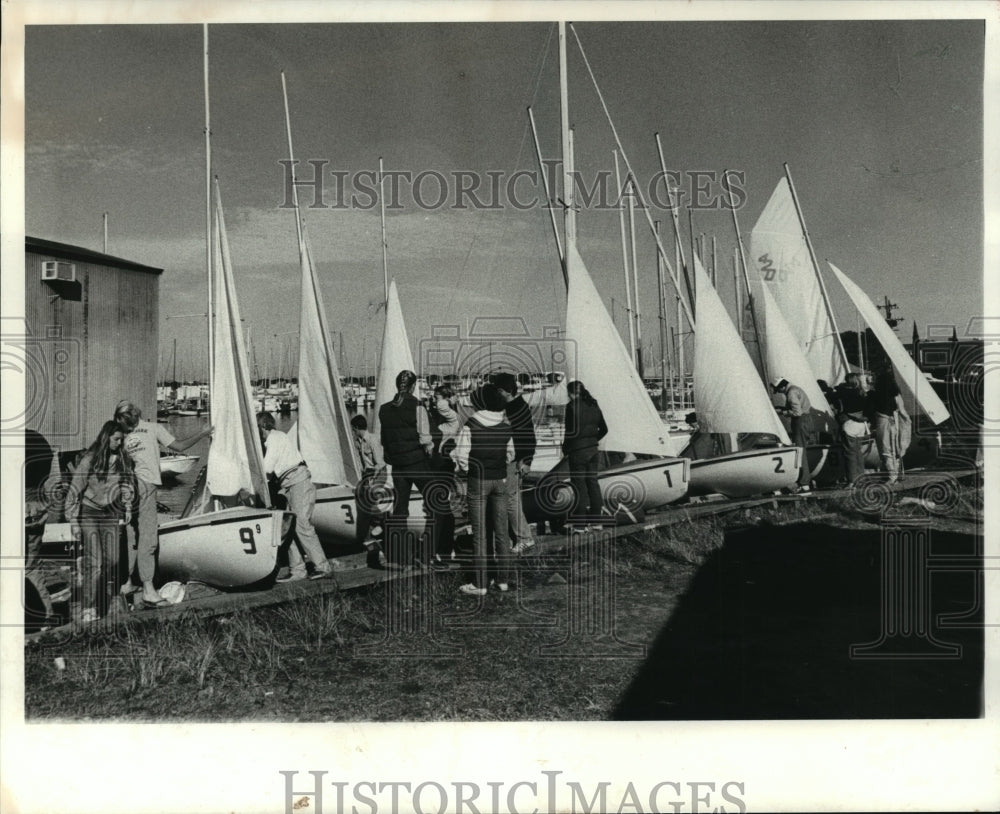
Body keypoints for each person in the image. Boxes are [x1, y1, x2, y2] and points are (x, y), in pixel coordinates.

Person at [114, 399, 213, 606]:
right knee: (148, 539)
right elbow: (179, 446)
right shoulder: (153, 428)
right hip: (145, 486)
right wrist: (203, 433)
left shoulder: (123, 436)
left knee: (132, 536)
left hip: (128, 488)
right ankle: (149, 589)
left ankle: (127, 582)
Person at [64, 421, 135, 621]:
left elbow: (126, 484)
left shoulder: (123, 459)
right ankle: (89, 607)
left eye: (122, 440)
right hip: (89, 513)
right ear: (106, 438)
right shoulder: (90, 460)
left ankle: (99, 591)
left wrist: (127, 507)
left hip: (111, 513)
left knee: (112, 560)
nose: (120, 443)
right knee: (96, 563)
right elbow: (74, 490)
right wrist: (72, 520)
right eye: (116, 439)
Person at [257, 411, 340, 581]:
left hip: (298, 480)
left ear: (263, 426)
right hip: (288, 483)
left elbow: (267, 469)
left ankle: (323, 567)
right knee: (287, 528)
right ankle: (298, 570)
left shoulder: (273, 439)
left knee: (301, 524)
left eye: (257, 427)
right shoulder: (277, 437)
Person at [453, 384, 515, 595]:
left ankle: (480, 583)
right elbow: (510, 454)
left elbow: (462, 455)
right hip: (500, 480)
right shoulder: (506, 425)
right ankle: (503, 580)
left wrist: (468, 469)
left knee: (479, 533)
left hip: (478, 481)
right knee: (502, 532)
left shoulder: (472, 423)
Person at [378, 370, 441, 566]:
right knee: (436, 506)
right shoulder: (417, 406)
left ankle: (402, 558)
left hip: (398, 466)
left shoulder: (383, 409)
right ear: (413, 386)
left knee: (400, 511)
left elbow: (384, 440)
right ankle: (427, 555)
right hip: (417, 463)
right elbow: (426, 439)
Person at [493, 372, 537, 555]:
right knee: (510, 499)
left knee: (511, 500)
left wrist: (526, 460)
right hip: (513, 460)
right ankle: (518, 537)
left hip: (515, 461)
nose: (497, 394)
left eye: (498, 391)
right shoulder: (516, 406)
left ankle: (525, 538)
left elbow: (528, 437)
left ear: (504, 391)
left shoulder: (515, 408)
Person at [562, 380, 608, 530]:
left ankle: (580, 525)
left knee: (579, 487)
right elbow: (604, 429)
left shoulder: (571, 407)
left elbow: (569, 433)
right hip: (593, 450)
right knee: (593, 485)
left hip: (578, 452)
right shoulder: (594, 404)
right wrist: (593, 441)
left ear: (571, 393)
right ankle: (597, 522)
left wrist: (566, 449)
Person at [350, 414, 387, 569]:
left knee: (370, 496)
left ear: (358, 428)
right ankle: (371, 533)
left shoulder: (372, 440)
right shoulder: (358, 442)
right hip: (367, 473)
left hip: (378, 472)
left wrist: (372, 480)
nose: (352, 432)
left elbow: (379, 462)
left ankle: (383, 521)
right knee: (362, 497)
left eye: (353, 429)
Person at [867, 367, 910, 484]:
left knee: (885, 449)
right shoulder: (896, 395)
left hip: (882, 423)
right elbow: (902, 411)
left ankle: (891, 476)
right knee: (895, 448)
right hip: (894, 422)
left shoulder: (875, 395)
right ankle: (897, 474)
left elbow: (870, 410)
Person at [771, 376, 813, 492]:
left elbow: (797, 412)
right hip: (806, 421)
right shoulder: (796, 389)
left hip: (800, 421)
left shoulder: (791, 392)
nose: (779, 392)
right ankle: (805, 480)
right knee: (802, 450)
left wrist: (782, 412)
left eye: (778, 390)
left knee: (800, 451)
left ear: (782, 386)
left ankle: (804, 483)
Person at [835, 372, 869, 485]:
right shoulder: (862, 393)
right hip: (861, 425)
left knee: (849, 453)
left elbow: (838, 407)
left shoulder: (843, 393)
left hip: (849, 424)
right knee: (858, 452)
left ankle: (852, 481)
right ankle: (861, 478)